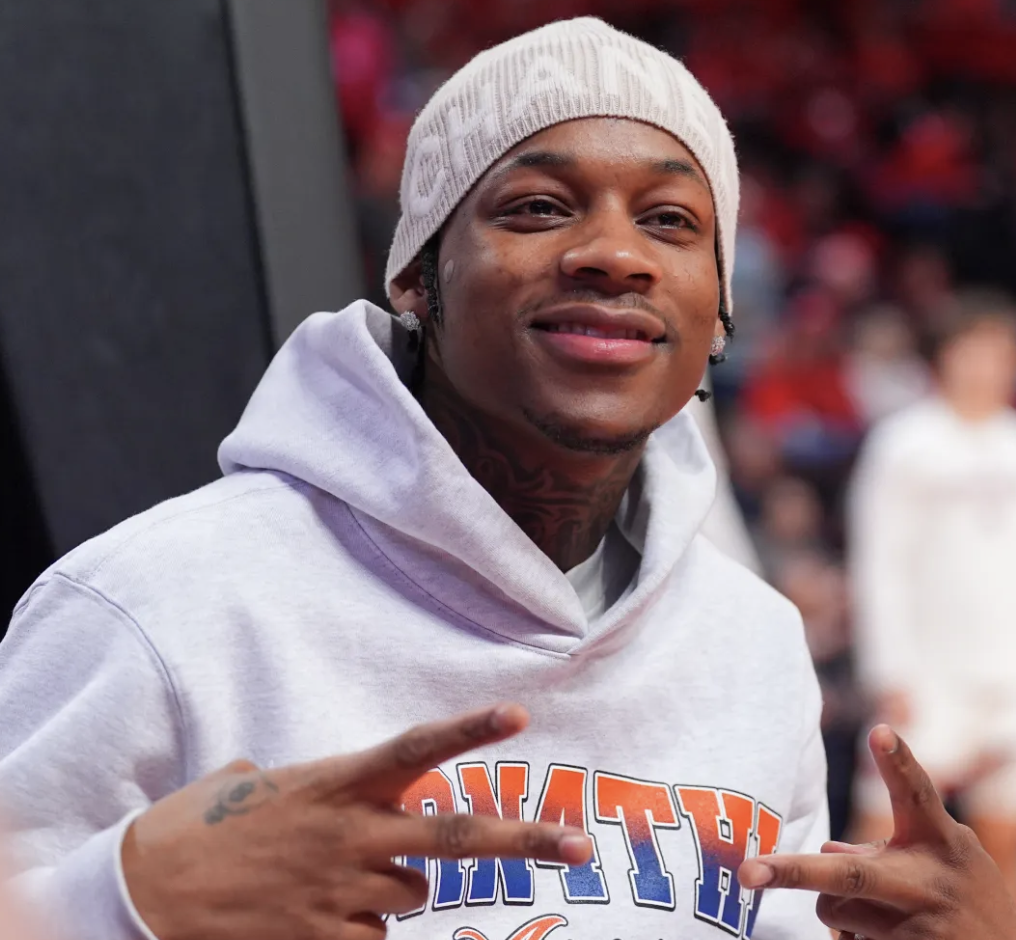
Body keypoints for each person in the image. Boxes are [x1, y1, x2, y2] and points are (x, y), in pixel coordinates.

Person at [0, 17, 1010, 940]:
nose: (615, 255)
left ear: (720, 312)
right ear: (415, 273)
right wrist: (122, 903)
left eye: (669, 220)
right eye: (536, 206)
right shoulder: (156, 603)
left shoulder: (751, 641)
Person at [847, 290, 1016, 891]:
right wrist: (889, 669)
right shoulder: (905, 442)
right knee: (884, 842)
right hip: (925, 672)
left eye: (1001, 353)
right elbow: (879, 560)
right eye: (975, 351)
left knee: (1004, 847)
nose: (988, 366)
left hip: (1004, 672)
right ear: (945, 356)